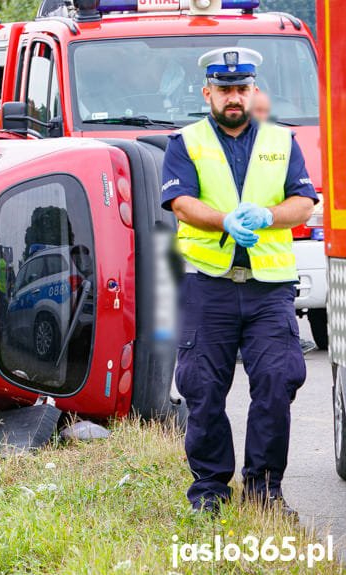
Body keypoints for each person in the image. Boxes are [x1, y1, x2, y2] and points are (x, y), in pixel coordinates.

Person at [160, 47, 318, 516]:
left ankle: (265, 489)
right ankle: (209, 490)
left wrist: (268, 214)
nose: (234, 97)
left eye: (242, 88)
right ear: (208, 92)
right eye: (225, 89)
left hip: (270, 286)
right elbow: (182, 204)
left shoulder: (283, 141)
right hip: (209, 283)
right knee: (203, 387)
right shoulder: (184, 142)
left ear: (253, 92)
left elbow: (304, 202)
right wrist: (225, 220)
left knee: (275, 381)